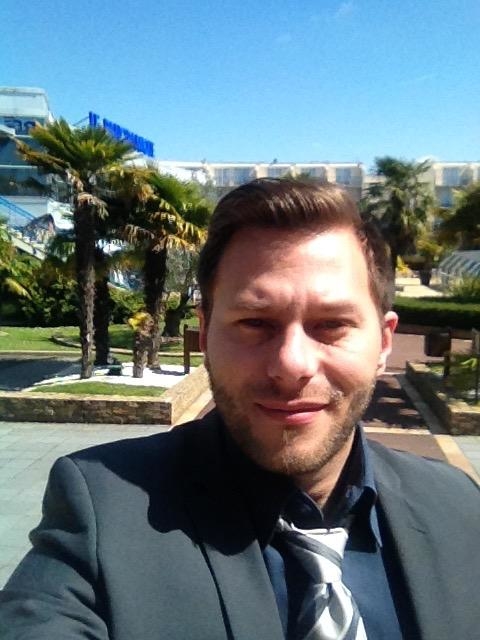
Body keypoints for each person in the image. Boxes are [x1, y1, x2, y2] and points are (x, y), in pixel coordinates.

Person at [0, 179, 478, 639]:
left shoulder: (458, 504)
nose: (291, 365)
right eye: (255, 322)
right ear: (205, 333)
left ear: (383, 343)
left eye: (331, 325)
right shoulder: (101, 510)